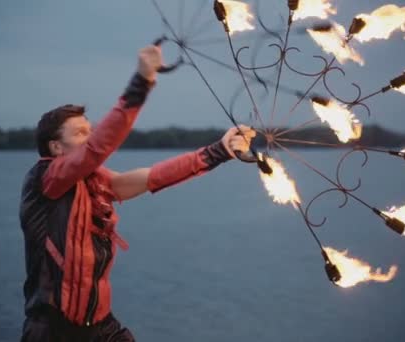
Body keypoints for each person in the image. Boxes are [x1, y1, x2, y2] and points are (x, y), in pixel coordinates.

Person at [19, 44, 256, 341]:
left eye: (90, 130)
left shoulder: (93, 179)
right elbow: (97, 149)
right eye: (80, 133)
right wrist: (141, 83)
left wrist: (216, 152)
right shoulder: (46, 178)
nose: (90, 137)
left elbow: (149, 178)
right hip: (55, 331)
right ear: (56, 147)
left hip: (101, 327)